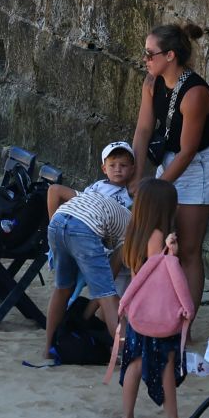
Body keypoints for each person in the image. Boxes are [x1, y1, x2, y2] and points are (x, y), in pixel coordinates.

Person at [129, 22, 209, 323]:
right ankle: (160, 312)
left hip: (197, 167)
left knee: (189, 248)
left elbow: (189, 151)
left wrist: (154, 188)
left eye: (149, 53)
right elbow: (143, 130)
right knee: (161, 238)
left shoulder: (195, 94)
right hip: (169, 159)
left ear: (170, 55)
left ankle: (185, 325)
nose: (145, 59)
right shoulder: (152, 82)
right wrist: (137, 176)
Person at [41, 141, 138, 358]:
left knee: (62, 289)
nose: (118, 169)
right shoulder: (130, 223)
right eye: (113, 165)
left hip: (59, 221)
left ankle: (48, 349)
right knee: (108, 296)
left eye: (124, 165)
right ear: (104, 168)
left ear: (132, 169)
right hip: (83, 228)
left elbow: (56, 191)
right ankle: (126, 355)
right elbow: (112, 275)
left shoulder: (96, 193)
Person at [110, 178, 183, 418]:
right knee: (166, 363)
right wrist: (172, 255)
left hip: (137, 309)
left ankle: (127, 416)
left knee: (134, 362)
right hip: (156, 311)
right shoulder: (157, 236)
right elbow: (158, 274)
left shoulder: (134, 231)